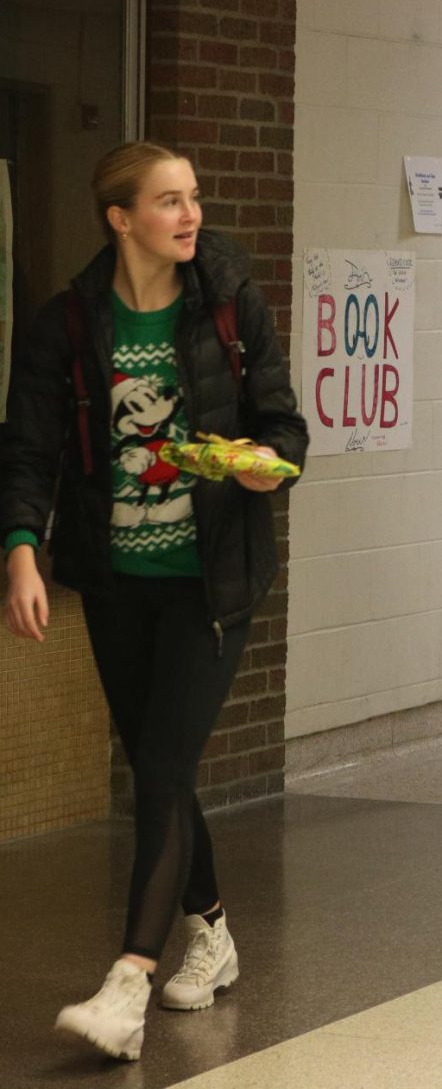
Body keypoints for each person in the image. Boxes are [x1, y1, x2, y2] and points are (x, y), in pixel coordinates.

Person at [0, 141, 309, 1057]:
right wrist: (21, 550)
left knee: (165, 767)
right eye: (168, 201)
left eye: (195, 199)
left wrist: (266, 466)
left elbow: (283, 422)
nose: (189, 215)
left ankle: (128, 984)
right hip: (117, 580)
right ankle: (210, 931)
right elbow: (27, 448)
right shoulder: (68, 324)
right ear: (120, 219)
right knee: (159, 769)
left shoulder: (229, 306)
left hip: (213, 582)